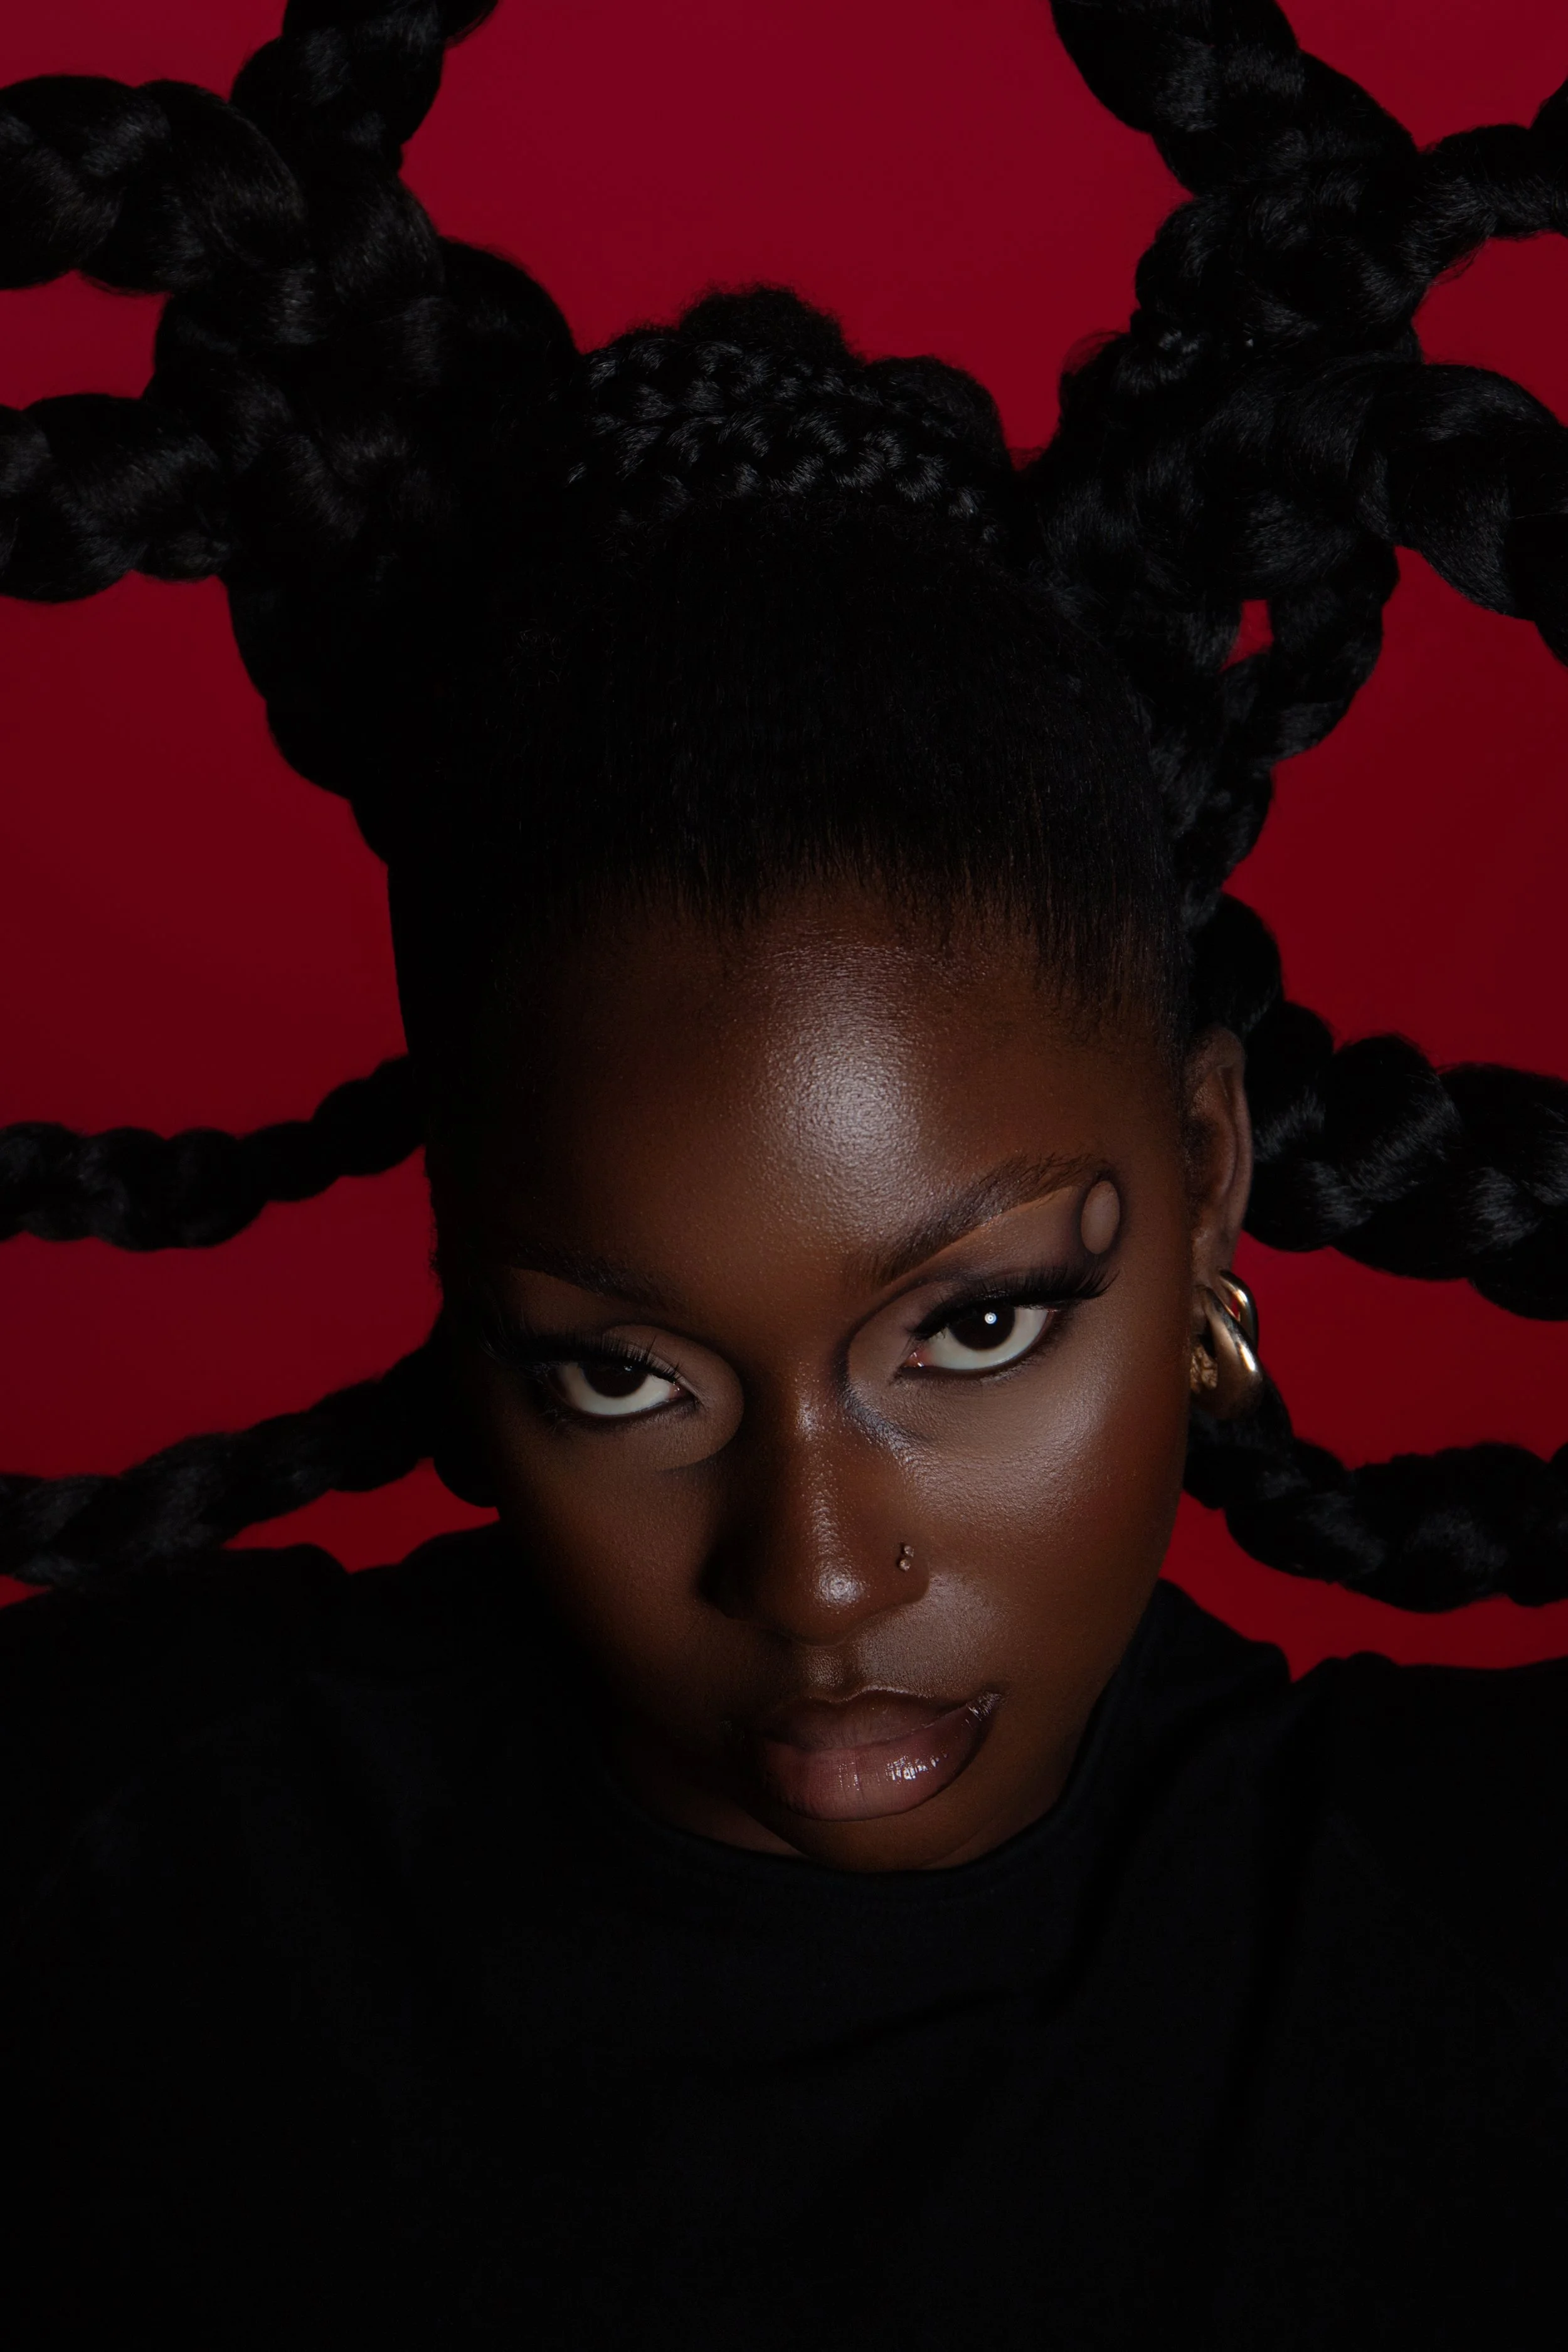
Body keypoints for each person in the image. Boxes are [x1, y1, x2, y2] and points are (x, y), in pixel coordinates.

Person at [2, 2, 1566, 2344]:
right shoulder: (94, 1887)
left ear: (1207, 1176)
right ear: (462, 1278)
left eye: (975, 1324)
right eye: (622, 1377)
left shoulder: (1504, 1956)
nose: (815, 1573)